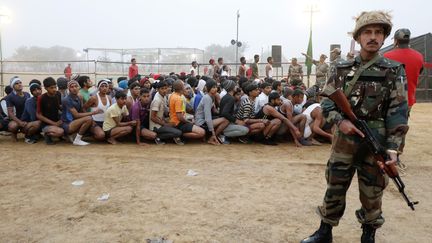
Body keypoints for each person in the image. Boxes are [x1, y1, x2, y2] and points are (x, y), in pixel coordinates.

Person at [301, 11, 408, 243]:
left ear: (384, 37)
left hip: (376, 140)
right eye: (367, 32)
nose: (373, 37)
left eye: (378, 32)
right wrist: (341, 121)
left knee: (373, 190)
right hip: (344, 140)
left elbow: (398, 112)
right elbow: (327, 103)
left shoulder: (394, 69)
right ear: (358, 37)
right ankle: (325, 231)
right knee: (335, 185)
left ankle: (369, 234)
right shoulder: (340, 67)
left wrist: (393, 149)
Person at [383, 28, 424, 164]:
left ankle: (386, 151)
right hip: (408, 99)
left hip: (389, 98)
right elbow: (420, 71)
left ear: (395, 40)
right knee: (401, 124)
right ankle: (397, 153)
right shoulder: (419, 56)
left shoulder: (387, 56)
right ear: (409, 40)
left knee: (386, 123)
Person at [61, 80, 98, 146]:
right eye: (72, 87)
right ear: (69, 89)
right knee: (89, 119)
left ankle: (73, 135)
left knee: (91, 121)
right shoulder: (66, 99)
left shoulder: (79, 97)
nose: (74, 88)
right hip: (68, 124)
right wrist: (93, 113)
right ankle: (77, 139)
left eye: (76, 86)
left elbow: (81, 110)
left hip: (75, 122)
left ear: (79, 87)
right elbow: (76, 115)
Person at [195, 79, 230, 145]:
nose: (215, 89)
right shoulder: (207, 98)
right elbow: (207, 118)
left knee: (223, 118)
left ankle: (214, 136)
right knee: (226, 120)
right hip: (201, 123)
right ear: (208, 88)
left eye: (216, 87)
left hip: (204, 120)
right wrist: (213, 133)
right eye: (213, 87)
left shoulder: (211, 96)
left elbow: (214, 111)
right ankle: (212, 137)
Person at [149, 80, 183, 145]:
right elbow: (152, 117)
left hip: (160, 121)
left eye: (166, 88)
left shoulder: (163, 96)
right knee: (178, 132)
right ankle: (158, 137)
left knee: (175, 124)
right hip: (156, 126)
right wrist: (164, 124)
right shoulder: (157, 100)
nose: (164, 90)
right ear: (157, 89)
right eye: (162, 89)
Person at [36, 77, 64, 145]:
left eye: (55, 87)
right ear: (45, 88)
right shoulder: (41, 98)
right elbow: (38, 115)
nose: (54, 89)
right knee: (60, 132)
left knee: (69, 128)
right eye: (51, 88)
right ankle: (47, 134)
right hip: (46, 124)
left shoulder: (58, 94)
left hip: (57, 121)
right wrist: (53, 123)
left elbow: (59, 107)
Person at [5, 77, 33, 142]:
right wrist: (19, 122)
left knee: (37, 124)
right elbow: (10, 113)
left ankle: (27, 135)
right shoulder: (10, 97)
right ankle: (14, 134)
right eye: (16, 83)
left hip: (26, 119)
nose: (19, 84)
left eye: (20, 83)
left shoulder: (27, 94)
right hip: (15, 120)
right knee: (13, 126)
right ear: (13, 86)